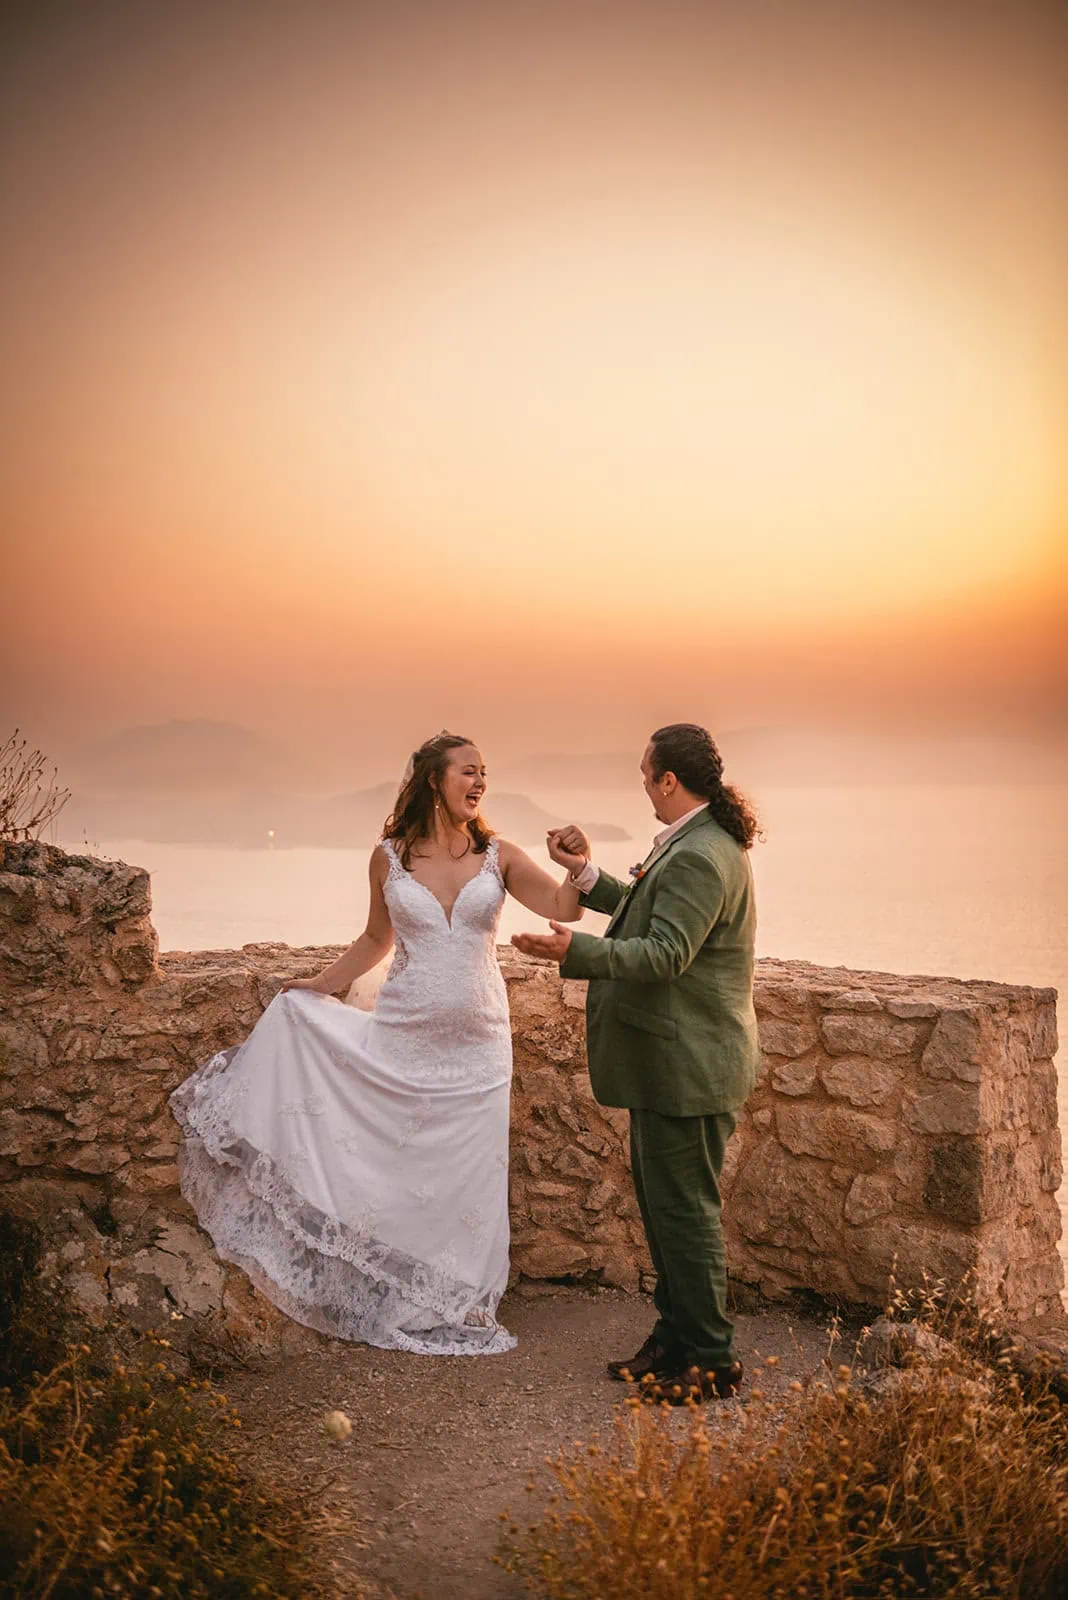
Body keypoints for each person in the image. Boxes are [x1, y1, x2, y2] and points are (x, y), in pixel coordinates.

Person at [169, 730, 584, 1355]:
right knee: (401, 1167)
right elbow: (374, 941)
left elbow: (562, 906)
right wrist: (320, 985)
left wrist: (576, 868)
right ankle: (395, 1291)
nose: (479, 783)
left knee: (467, 1182)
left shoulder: (498, 854)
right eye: (468, 772)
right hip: (404, 1038)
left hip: (479, 1046)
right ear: (433, 782)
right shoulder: (389, 857)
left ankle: (461, 1299)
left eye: (484, 774)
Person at [512, 723, 760, 1403]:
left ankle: (711, 1358)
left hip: (691, 1064)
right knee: (663, 1209)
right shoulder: (692, 844)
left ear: (668, 781)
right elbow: (645, 915)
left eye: (646, 774)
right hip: (670, 1063)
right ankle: (677, 1337)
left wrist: (577, 954)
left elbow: (664, 955)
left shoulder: (701, 855)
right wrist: (585, 875)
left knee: (686, 1213)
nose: (644, 785)